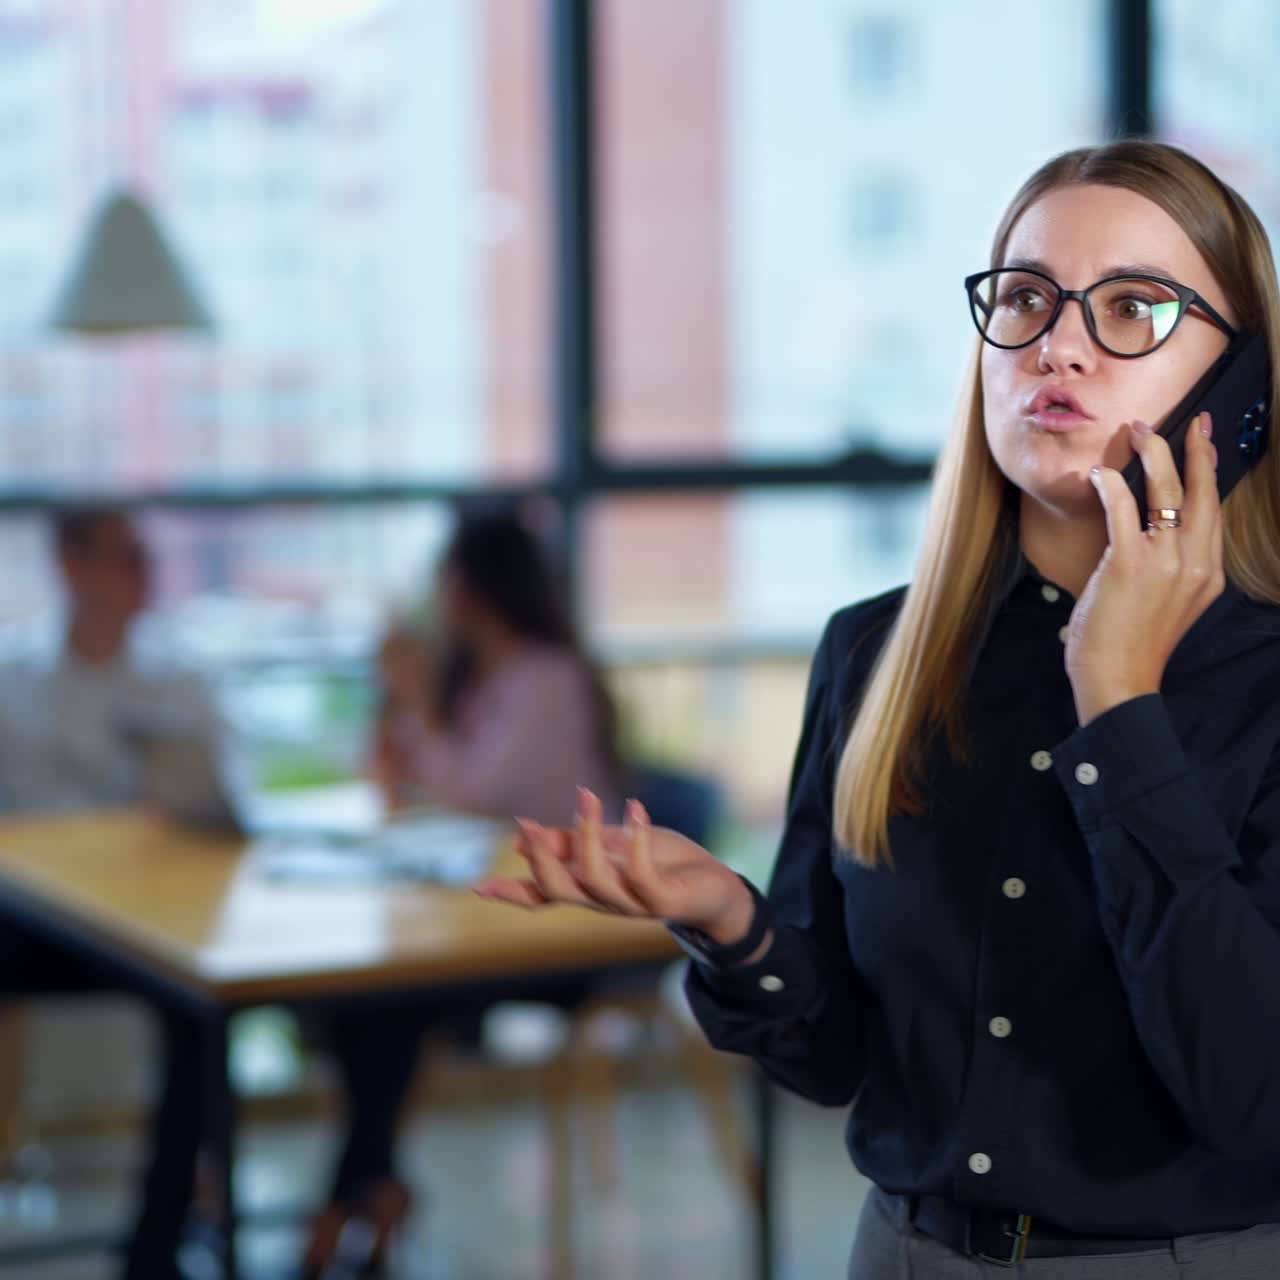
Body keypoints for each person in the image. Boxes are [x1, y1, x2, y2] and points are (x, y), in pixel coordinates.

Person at [474, 139, 1280, 1277]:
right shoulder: (874, 651)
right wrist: (727, 920)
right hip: (900, 1251)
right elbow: (838, 1053)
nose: (1056, 342)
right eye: (1025, 296)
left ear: (1237, 385)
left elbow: (1253, 1093)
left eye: (1132, 307)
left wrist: (1117, 697)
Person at [300, 510, 623, 1278]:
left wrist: (417, 706)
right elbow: (397, 785)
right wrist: (399, 710)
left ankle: (347, 1204)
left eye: (444, 579)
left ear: (474, 588)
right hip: (480, 914)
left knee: (388, 1006)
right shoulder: (473, 677)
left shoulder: (548, 678)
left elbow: (477, 793)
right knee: (359, 1005)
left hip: (564, 927)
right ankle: (368, 1189)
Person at [0, 506, 240, 1280]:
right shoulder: (14, 682)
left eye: (146, 556)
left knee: (205, 1013)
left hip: (150, 926)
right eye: (122, 556)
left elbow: (222, 809)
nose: (142, 573)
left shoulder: (182, 680)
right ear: (69, 564)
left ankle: (155, 1246)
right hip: (33, 925)